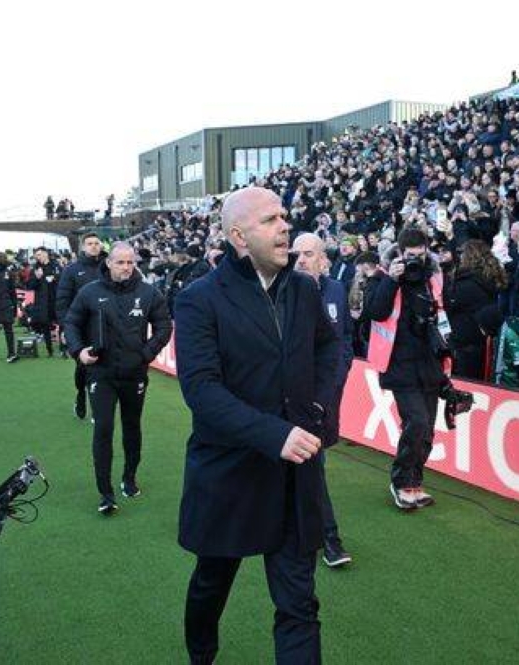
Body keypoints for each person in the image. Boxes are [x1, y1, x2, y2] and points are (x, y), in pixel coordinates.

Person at [175, 187, 337, 664]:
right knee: (211, 584)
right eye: (270, 220)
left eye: (284, 216)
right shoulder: (199, 299)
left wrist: (318, 407)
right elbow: (201, 390)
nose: (285, 226)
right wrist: (274, 434)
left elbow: (330, 348)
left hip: (294, 476)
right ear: (239, 236)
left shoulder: (304, 289)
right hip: (230, 473)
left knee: (299, 605)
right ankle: (201, 655)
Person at [62, 242, 171, 514]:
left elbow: (164, 325)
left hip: (135, 373)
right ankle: (106, 493)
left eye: (130, 262)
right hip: (101, 373)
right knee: (104, 428)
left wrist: (146, 354)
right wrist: (79, 351)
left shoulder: (149, 292)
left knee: (132, 426)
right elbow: (71, 323)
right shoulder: (90, 291)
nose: (126, 267)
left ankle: (129, 479)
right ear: (108, 263)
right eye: (120, 262)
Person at [364, 227, 449, 510]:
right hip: (398, 363)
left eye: (420, 255)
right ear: (400, 253)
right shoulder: (381, 277)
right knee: (417, 422)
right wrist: (392, 279)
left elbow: (441, 316)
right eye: (410, 256)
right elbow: (375, 312)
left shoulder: (433, 277)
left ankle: (414, 482)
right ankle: (400, 482)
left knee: (427, 431)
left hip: (429, 363)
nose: (415, 261)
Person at [292, 232, 353, 568]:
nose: (301, 260)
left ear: (323, 260)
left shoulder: (336, 290)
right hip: (291, 397)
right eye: (297, 254)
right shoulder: (280, 291)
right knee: (312, 465)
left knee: (311, 465)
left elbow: (344, 340)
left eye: (308, 254)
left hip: (325, 396)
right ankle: (329, 538)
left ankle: (314, 532)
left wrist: (335, 381)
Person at [56, 232, 106, 419]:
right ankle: (80, 394)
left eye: (96, 243)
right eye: (90, 243)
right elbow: (63, 301)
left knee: (101, 369)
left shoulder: (109, 267)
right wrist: (65, 328)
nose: (94, 246)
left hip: (105, 327)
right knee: (83, 367)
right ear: (83, 247)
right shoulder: (71, 270)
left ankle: (97, 406)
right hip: (80, 328)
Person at [445, 239, 508, 380]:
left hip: (463, 342)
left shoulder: (466, 284)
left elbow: (448, 304)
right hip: (480, 341)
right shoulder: (487, 279)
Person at [24, 246, 58, 357]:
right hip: (42, 301)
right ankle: (50, 350)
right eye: (36, 255)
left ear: (45, 254)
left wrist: (54, 279)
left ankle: (64, 348)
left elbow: (63, 279)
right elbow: (30, 286)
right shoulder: (35, 269)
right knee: (45, 324)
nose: (37, 257)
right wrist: (37, 278)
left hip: (56, 299)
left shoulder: (55, 265)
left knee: (62, 323)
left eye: (39, 254)